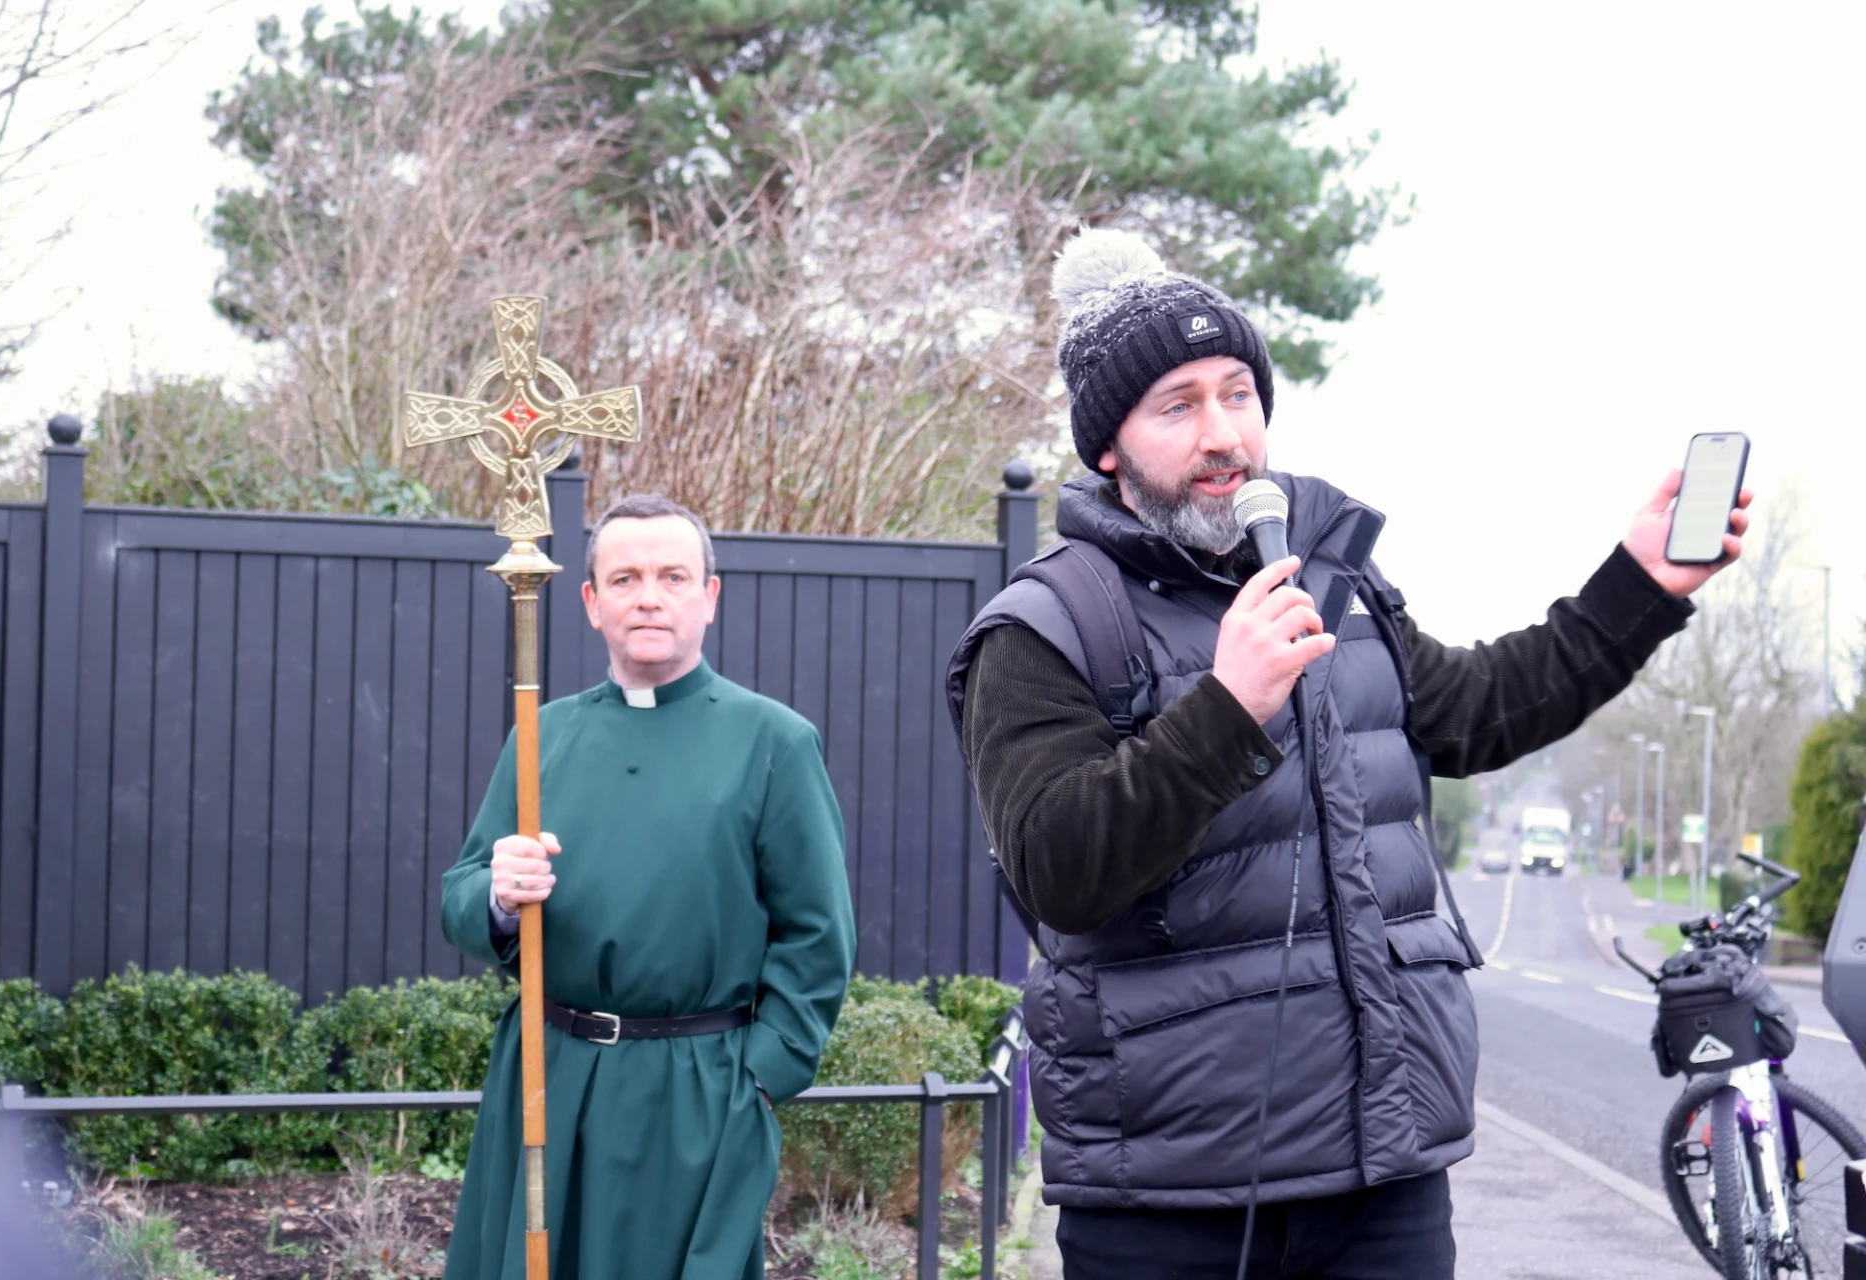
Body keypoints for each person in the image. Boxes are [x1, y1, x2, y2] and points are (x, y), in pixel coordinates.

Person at [946, 227, 1750, 1279]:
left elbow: (1483, 710)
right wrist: (1227, 705)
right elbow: (1060, 868)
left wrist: (1636, 585)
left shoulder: (1338, 587)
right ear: (1109, 446)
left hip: (1384, 1175)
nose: (1224, 431)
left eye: (1239, 392)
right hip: (1169, 1196)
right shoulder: (1046, 627)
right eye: (1178, 406)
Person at [442, 494, 856, 1280]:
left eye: (673, 575)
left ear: (710, 594)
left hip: (695, 1088)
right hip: (548, 1074)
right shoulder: (543, 734)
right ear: (592, 603)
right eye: (625, 578)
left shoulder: (773, 741)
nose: (650, 596)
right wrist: (499, 896)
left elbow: (818, 936)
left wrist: (762, 1078)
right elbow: (461, 893)